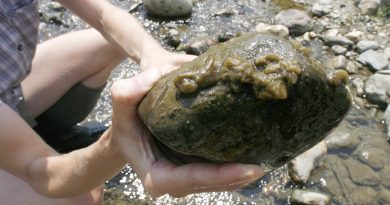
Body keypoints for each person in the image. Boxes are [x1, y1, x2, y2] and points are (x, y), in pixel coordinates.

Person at [0, 0, 264, 204]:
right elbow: (40, 173)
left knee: (110, 43)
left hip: (9, 91)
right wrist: (115, 147)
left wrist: (152, 54)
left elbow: (103, 15)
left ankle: (38, 133)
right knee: (85, 196)